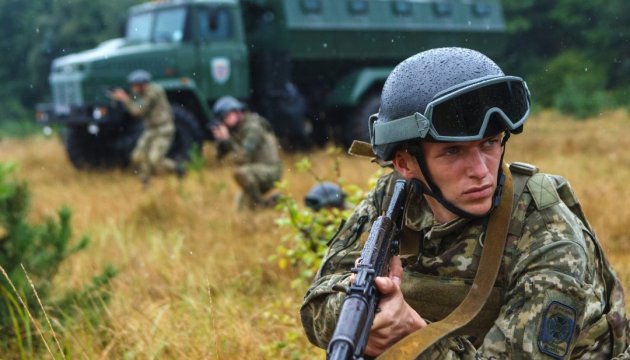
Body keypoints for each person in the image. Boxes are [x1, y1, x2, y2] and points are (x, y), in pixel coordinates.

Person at [300, 47, 629, 358]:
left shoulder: (546, 230)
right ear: (404, 163)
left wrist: (411, 336)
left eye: (489, 144)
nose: (481, 171)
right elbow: (315, 308)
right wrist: (363, 308)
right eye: (453, 151)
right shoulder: (393, 199)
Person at [110, 69, 181, 185]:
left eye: (135, 85)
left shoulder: (154, 92)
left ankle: (177, 168)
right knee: (138, 157)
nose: (133, 88)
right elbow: (137, 100)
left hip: (163, 129)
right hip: (151, 129)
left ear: (142, 84)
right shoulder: (144, 93)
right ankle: (145, 182)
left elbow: (138, 110)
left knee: (154, 160)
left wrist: (125, 99)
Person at [211, 96, 282, 210]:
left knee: (241, 173)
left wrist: (227, 139)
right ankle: (273, 202)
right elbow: (218, 158)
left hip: (271, 171)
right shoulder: (238, 128)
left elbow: (242, 158)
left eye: (225, 116)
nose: (224, 121)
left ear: (236, 112)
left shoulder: (253, 127)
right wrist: (221, 141)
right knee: (241, 210)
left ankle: (262, 205)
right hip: (256, 171)